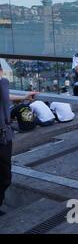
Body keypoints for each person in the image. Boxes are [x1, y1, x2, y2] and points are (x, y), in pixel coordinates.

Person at [0, 63, 36, 215]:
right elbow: (3, 92)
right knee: (5, 176)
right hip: (2, 137)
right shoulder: (2, 83)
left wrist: (22, 97)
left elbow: (4, 96)